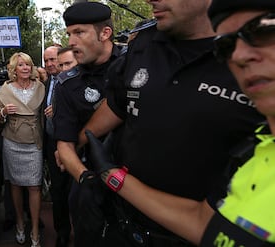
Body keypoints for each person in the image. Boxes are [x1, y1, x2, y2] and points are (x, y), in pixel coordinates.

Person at [70, 0, 265, 246]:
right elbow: (117, 105)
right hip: (124, 226)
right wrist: (78, 141)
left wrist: (114, 176)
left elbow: (202, 220)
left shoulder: (251, 59)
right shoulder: (143, 44)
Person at [52, 2, 121, 246]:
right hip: (93, 181)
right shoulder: (67, 85)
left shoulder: (135, 64)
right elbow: (64, 146)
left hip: (142, 185)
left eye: (79, 32)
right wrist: (86, 180)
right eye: (69, 33)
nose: (71, 40)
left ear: (105, 33)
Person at [0, 52, 45, 247]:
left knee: (35, 187)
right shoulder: (5, 90)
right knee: (14, 184)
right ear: (13, 69)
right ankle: (20, 223)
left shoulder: (41, 87)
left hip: (34, 143)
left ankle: (35, 232)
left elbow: (45, 113)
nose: (25, 68)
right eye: (21, 65)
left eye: (28, 65)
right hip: (12, 142)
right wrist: (4, 112)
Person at [43, 45, 72, 247]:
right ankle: (62, 232)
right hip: (50, 143)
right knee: (58, 191)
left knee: (75, 191)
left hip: (72, 144)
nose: (50, 64)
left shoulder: (74, 82)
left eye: (53, 60)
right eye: (47, 61)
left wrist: (60, 108)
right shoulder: (44, 83)